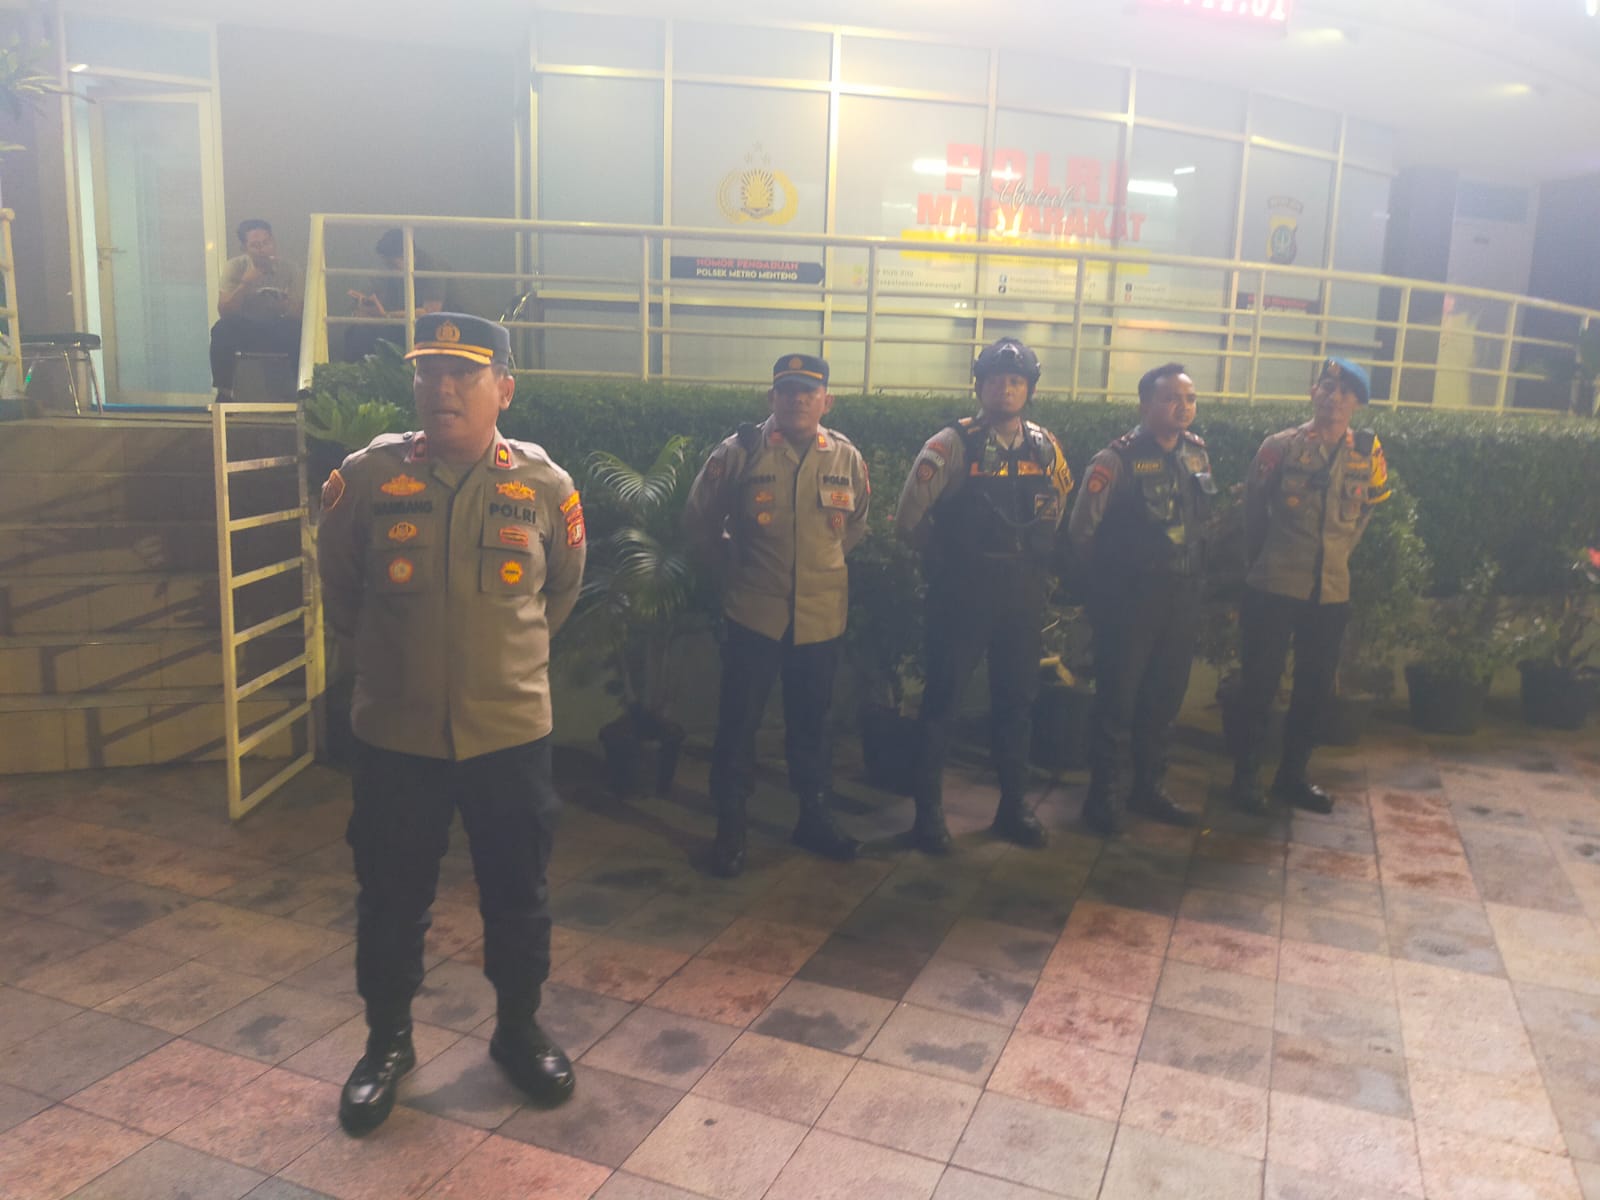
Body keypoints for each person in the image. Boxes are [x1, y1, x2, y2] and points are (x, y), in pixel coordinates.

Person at [317, 312, 584, 1135]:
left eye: (462, 374)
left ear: (504, 388)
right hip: (396, 738)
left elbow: (560, 591)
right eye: (428, 372)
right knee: (390, 896)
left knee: (519, 893)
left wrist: (496, 665)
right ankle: (387, 1042)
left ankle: (518, 1030)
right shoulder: (367, 478)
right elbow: (341, 588)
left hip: (510, 733)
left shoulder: (546, 487)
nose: (441, 388)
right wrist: (398, 666)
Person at [682, 353, 870, 877]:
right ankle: (731, 828)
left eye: (808, 392)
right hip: (755, 613)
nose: (798, 400)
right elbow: (699, 520)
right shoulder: (739, 452)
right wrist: (733, 568)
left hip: (821, 617)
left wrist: (817, 568)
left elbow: (854, 526)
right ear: (772, 398)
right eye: (787, 391)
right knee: (738, 726)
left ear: (827, 401)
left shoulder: (846, 457)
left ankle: (814, 816)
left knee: (813, 725)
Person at [895, 337, 1074, 852]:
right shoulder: (951, 444)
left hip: (1022, 593)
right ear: (980, 387)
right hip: (963, 593)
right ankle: (928, 816)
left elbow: (1058, 500)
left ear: (1030, 389)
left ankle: (1014, 808)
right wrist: (947, 560)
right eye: (997, 380)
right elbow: (909, 519)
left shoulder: (1044, 444)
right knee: (943, 701)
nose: (1007, 389)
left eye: (1017, 381)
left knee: (1017, 701)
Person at [1231, 356, 1391, 814]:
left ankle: (1292, 776)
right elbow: (1253, 510)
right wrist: (1261, 562)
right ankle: (1246, 778)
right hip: (1275, 584)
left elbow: (1366, 511)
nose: (1334, 398)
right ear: (1312, 393)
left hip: (1332, 592)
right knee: (1259, 685)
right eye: (1326, 387)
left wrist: (1338, 555)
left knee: (1315, 688)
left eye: (1345, 392)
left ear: (1357, 403)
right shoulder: (1280, 447)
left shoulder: (1368, 452)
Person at [1067, 363, 1214, 835]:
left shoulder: (1197, 452)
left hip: (1182, 595)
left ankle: (1149, 788)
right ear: (1145, 404)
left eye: (1189, 399)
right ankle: (1103, 799)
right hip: (1130, 600)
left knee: (1164, 698)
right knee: (1118, 701)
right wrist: (1109, 584)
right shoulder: (1116, 459)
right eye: (1171, 398)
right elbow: (1082, 531)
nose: (1182, 408)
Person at [210, 219, 302, 400]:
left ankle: (303, 394)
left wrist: (284, 306)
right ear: (245, 248)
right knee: (221, 329)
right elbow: (224, 311)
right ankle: (225, 392)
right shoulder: (235, 267)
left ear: (273, 242)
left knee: (299, 332)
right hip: (246, 328)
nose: (263, 250)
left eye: (266, 243)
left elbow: (300, 313)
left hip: (279, 326)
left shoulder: (291, 269)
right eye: (255, 245)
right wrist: (245, 283)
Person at [343, 228, 453, 361]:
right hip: (405, 325)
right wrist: (366, 308)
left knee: (367, 336)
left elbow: (430, 313)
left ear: (405, 256)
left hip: (440, 329)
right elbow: (383, 298)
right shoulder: (397, 272)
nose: (389, 268)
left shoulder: (432, 268)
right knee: (356, 332)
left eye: (391, 264)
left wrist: (386, 316)